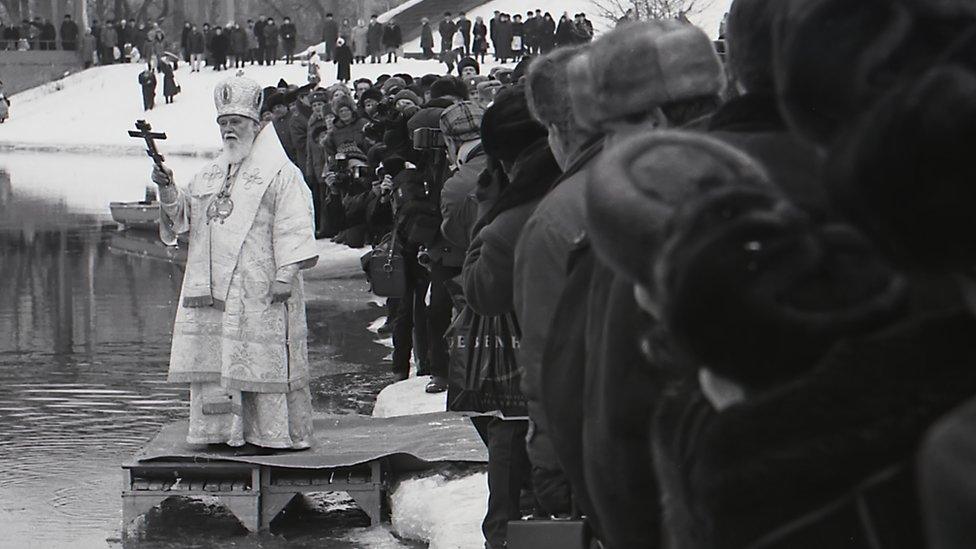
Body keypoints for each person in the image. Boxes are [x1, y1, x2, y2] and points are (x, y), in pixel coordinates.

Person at [151, 74, 319, 450]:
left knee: (260, 358)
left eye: (236, 123)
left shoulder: (281, 173)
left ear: (256, 126)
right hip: (217, 288)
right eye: (224, 124)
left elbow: (294, 223)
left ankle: (268, 434)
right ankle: (221, 432)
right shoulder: (211, 172)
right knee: (219, 360)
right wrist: (167, 188)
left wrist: (285, 274)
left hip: (261, 285)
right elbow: (184, 218)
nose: (229, 130)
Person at [461, 87, 558, 548]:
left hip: (530, 364)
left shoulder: (515, 216)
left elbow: (482, 287)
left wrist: (489, 210)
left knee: (513, 449)